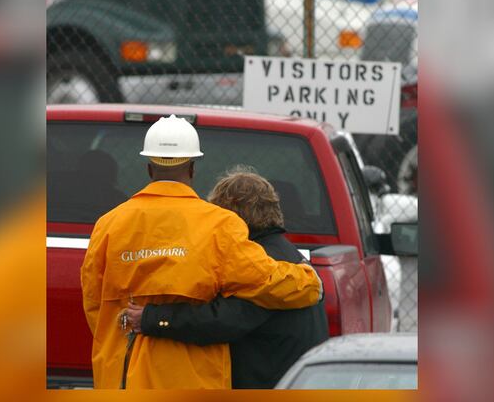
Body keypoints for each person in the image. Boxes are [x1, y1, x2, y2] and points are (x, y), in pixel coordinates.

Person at [81, 115, 322, 389]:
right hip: (193, 379)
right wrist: (308, 282)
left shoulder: (108, 225)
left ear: (149, 169)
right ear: (192, 169)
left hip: (121, 377)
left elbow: (94, 303)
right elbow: (264, 281)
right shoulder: (219, 225)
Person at [125, 168, 329, 388]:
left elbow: (220, 321)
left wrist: (152, 318)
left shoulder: (259, 261)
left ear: (228, 218)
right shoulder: (288, 254)